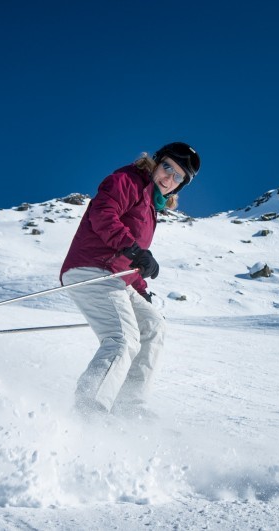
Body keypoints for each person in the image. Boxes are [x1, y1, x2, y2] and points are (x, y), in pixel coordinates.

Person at [60, 142, 200, 419]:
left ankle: (128, 406)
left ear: (180, 186)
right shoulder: (128, 180)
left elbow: (130, 261)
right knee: (122, 339)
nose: (168, 178)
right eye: (167, 167)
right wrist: (133, 249)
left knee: (153, 325)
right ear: (156, 162)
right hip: (91, 269)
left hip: (115, 276)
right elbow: (103, 214)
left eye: (177, 177)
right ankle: (88, 409)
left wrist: (141, 288)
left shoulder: (151, 207)